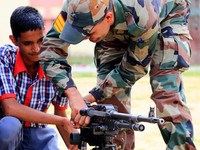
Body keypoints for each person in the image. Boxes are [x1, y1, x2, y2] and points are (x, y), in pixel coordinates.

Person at [39, 0, 196, 150]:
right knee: (109, 106)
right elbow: (49, 50)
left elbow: (133, 69)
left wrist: (91, 96)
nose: (84, 38)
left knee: (165, 92)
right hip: (116, 22)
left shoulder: (143, 14)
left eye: (88, 32)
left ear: (108, 17)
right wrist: (74, 96)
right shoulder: (74, 6)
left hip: (166, 15)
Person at [0, 6, 78, 150]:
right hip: (8, 136)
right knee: (10, 126)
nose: (36, 49)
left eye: (41, 40)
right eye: (27, 43)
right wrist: (61, 121)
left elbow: (60, 112)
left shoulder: (56, 65)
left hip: (38, 133)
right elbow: (10, 108)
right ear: (14, 40)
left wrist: (74, 145)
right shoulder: (5, 57)